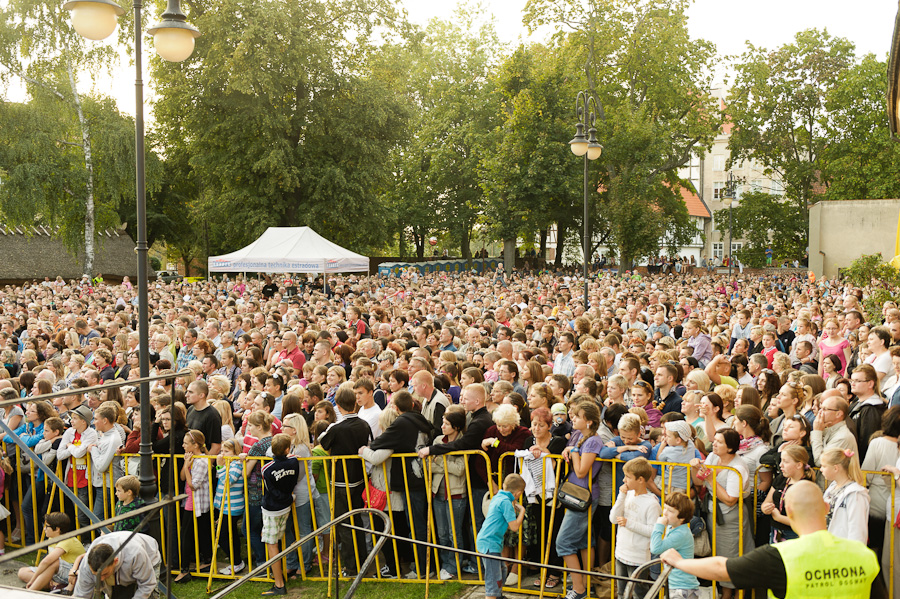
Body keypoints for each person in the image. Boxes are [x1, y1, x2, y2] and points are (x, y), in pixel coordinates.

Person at [660, 480, 881, 598]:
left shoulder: (780, 556)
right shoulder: (864, 554)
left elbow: (722, 567)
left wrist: (679, 562)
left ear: (789, 511)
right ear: (825, 507)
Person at [319, 383, 372, 577]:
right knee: (356, 521)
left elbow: (323, 443)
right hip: (358, 479)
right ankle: (362, 560)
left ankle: (351, 567)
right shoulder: (364, 424)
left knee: (344, 524)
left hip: (341, 482)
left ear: (338, 406)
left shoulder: (337, 428)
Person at [610, 457, 660, 599]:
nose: (624, 480)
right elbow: (613, 518)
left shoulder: (652, 504)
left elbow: (653, 531)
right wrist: (621, 496)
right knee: (621, 593)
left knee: (639, 593)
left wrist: (629, 523)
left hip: (638, 558)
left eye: (628, 477)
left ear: (640, 480)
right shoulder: (627, 494)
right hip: (620, 552)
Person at [260, 433, 300, 596]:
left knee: (272, 544)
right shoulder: (294, 461)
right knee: (277, 540)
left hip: (272, 508)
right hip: (286, 505)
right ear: (287, 449)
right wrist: (289, 498)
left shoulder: (266, 469)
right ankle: (281, 576)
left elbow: (272, 491)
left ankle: (279, 584)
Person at [476, 473, 526, 599]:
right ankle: (493, 596)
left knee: (502, 570)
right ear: (518, 493)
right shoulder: (506, 503)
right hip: (490, 544)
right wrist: (522, 511)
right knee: (493, 578)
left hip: (487, 541)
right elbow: (514, 527)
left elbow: (506, 521)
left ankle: (498, 595)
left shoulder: (499, 496)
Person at [71, 531, 162, 599]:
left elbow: (147, 584)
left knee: (150, 596)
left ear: (115, 561)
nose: (101, 579)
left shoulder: (135, 554)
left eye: (104, 574)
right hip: (125, 564)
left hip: (149, 554)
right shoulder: (86, 565)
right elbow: (81, 596)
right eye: (97, 575)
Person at [649, 492, 699, 599]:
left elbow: (655, 548)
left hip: (682, 587)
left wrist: (658, 526)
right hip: (676, 584)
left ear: (682, 518)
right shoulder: (673, 527)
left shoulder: (681, 534)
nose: (665, 513)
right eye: (665, 508)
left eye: (670, 511)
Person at [17, 512, 84, 591]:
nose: (44, 529)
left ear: (57, 529)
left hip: (73, 573)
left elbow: (46, 561)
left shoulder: (67, 540)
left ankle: (30, 592)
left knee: (54, 562)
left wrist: (32, 580)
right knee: (22, 572)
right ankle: (56, 585)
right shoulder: (52, 538)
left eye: (47, 526)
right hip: (56, 571)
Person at [820, 447, 869, 544]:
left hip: (843, 550)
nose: (820, 469)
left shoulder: (855, 494)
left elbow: (857, 529)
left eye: (824, 466)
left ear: (835, 468)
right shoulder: (832, 487)